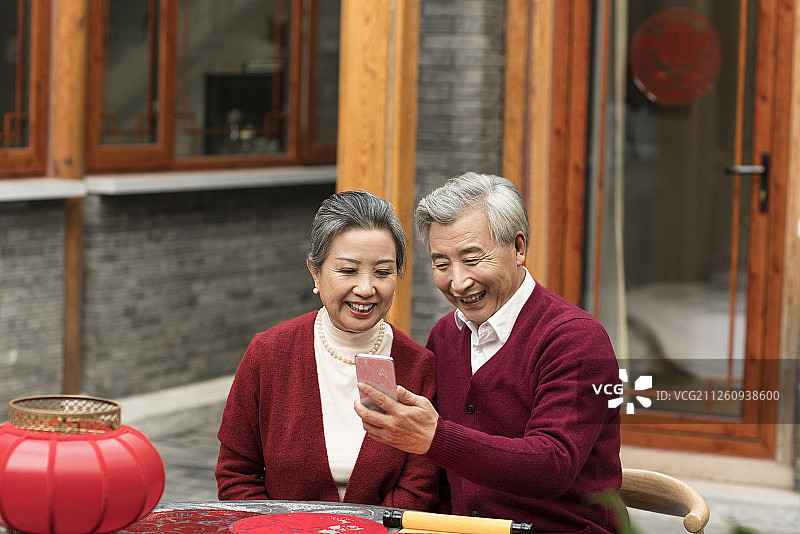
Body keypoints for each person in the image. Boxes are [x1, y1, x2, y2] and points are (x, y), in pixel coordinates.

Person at [355, 173, 622, 533]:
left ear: (518, 247)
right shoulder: (445, 336)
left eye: (473, 258)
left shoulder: (576, 339)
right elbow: (442, 480)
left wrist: (435, 438)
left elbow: (552, 466)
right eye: (441, 264)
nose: (459, 281)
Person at [216, 190, 439, 510]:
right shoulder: (269, 354)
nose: (365, 288)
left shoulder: (418, 365)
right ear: (315, 272)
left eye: (382, 271)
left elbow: (419, 488)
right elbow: (236, 473)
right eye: (348, 270)